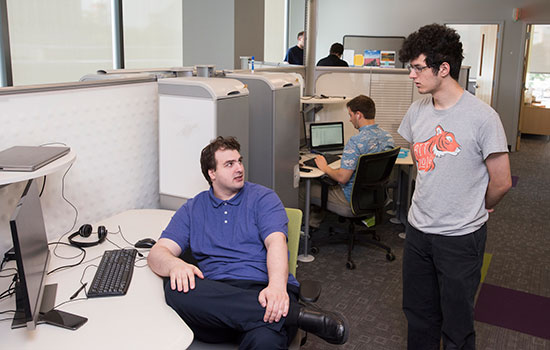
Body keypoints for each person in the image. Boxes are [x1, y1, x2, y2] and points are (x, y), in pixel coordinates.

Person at [148, 136, 348, 349]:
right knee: (175, 289)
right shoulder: (192, 208)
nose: (239, 168)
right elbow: (157, 253)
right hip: (216, 298)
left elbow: (276, 243)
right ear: (212, 173)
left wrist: (277, 288)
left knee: (265, 341)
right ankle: (296, 315)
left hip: (265, 291)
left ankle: (278, 312)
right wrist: (175, 264)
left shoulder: (263, 198)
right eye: (229, 164)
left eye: (239, 161)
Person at [397, 23, 512, 349]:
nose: (412, 75)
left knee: (457, 325)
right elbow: (423, 166)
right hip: (419, 232)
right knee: (418, 317)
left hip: (460, 238)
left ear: (443, 68)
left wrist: (479, 204)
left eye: (418, 68)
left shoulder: (483, 117)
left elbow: (501, 182)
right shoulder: (417, 111)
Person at [308, 95, 395, 227]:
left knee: (305, 189)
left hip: (351, 200)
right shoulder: (388, 138)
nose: (349, 119)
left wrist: (325, 168)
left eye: (350, 115)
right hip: (375, 197)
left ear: (358, 115)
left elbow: (342, 178)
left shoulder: (356, 142)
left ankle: (306, 232)